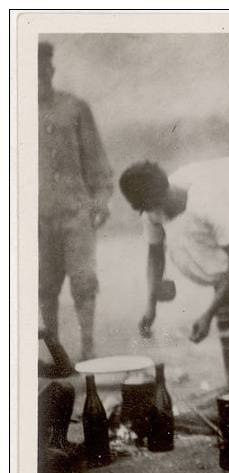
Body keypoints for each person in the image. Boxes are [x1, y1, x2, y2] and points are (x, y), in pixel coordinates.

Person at [118, 157, 229, 390]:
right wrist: (151, 305)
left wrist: (208, 313)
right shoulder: (151, 210)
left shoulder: (208, 204)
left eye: (150, 205)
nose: (150, 213)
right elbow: (155, 254)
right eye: (145, 209)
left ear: (162, 194)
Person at [38, 41, 113, 360]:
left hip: (75, 212)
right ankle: (55, 350)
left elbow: (96, 160)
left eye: (42, 70)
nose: (37, 78)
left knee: (83, 280)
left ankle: (88, 347)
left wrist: (101, 197)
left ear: (51, 70)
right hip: (34, 216)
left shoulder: (75, 108)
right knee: (43, 284)